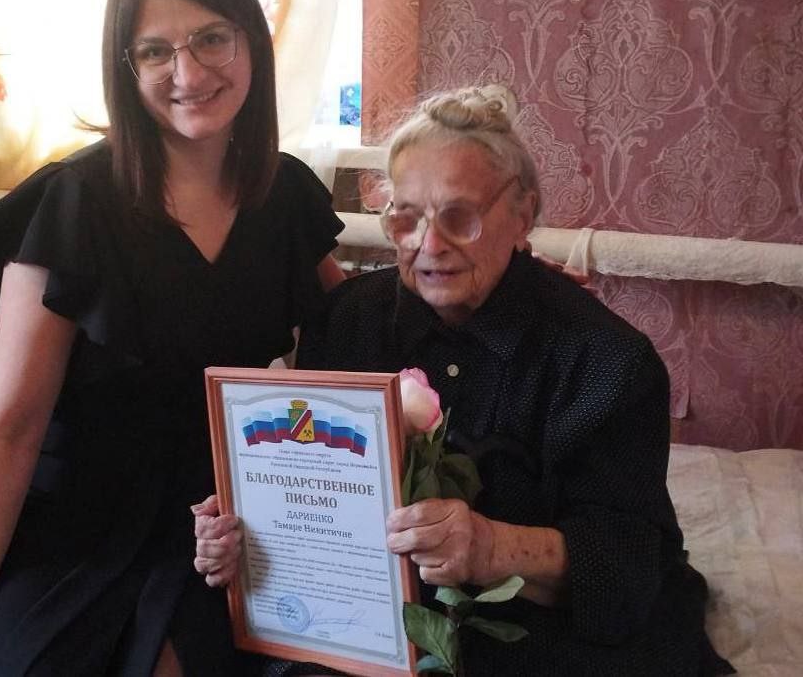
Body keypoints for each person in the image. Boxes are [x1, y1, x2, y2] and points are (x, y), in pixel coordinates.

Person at [194, 85, 732, 675]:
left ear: (522, 215)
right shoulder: (346, 321)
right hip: (371, 616)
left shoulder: (605, 360)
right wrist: (248, 531)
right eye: (406, 219)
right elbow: (312, 481)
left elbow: (627, 564)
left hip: (538, 625)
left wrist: (491, 547)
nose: (430, 245)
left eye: (459, 217)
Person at [0, 0, 345, 677]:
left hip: (225, 520)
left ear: (252, 40)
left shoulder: (283, 194)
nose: (188, 73)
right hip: (81, 524)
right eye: (155, 51)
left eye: (211, 38)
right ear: (126, 69)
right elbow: (11, 429)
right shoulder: (74, 202)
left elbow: (359, 331)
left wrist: (490, 285)